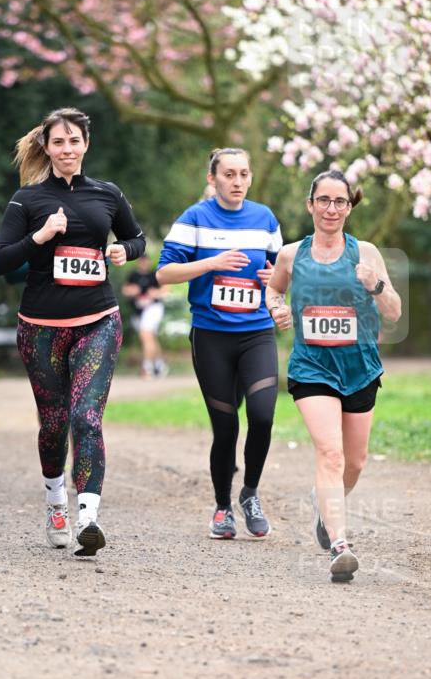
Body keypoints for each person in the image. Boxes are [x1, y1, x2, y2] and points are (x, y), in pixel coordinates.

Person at [0, 107, 145, 557]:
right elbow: (1, 261)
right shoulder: (27, 199)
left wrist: (123, 251)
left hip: (98, 320)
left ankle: (88, 517)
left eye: (74, 141)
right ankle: (56, 499)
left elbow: (137, 239)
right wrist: (40, 237)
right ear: (47, 147)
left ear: (85, 145)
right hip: (40, 326)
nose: (67, 149)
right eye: (58, 142)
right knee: (54, 424)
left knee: (87, 418)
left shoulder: (107, 194)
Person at [266, 169, 401, 582]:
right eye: (323, 200)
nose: (331, 208)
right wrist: (278, 310)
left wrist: (375, 284)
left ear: (349, 206)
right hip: (312, 368)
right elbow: (273, 290)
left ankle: (324, 505)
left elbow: (394, 312)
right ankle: (340, 544)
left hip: (359, 368)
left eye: (339, 201)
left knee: (355, 462)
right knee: (331, 454)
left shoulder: (367, 252)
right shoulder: (291, 254)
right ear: (310, 205)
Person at [156, 147, 283, 539]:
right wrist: (210, 263)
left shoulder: (265, 219)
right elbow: (164, 273)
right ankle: (223, 507)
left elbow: (282, 271)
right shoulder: (194, 219)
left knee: (262, 416)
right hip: (211, 336)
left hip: (256, 332)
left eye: (244, 174)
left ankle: (250, 493)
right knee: (225, 428)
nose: (238, 182)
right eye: (229, 174)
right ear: (213, 179)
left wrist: (274, 282)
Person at [122, 254, 169, 377]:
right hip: (138, 311)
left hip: (153, 308)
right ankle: (160, 366)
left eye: (145, 261)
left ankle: (147, 368)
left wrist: (155, 293)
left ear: (148, 262)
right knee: (150, 338)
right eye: (141, 261)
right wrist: (132, 291)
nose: (143, 263)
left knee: (145, 334)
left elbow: (166, 290)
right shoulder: (133, 275)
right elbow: (125, 290)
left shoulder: (155, 274)